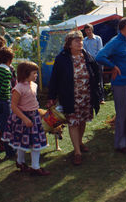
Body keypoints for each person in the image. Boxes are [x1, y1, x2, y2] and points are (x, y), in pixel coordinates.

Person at [48, 30, 104, 165]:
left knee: (83, 120)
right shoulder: (62, 58)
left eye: (81, 40)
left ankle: (79, 142)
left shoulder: (87, 56)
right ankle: (77, 152)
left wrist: (99, 93)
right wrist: (52, 96)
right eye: (77, 41)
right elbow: (54, 78)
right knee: (73, 122)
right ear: (69, 44)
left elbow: (97, 75)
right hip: (70, 96)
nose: (80, 43)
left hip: (86, 96)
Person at [96, 17, 126, 153]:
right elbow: (100, 56)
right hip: (121, 84)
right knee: (122, 114)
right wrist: (112, 66)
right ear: (125, 27)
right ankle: (120, 144)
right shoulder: (115, 42)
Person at [2, 61, 50, 176]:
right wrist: (24, 118)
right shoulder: (18, 88)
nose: (36, 75)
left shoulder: (34, 85)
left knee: (34, 142)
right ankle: (32, 166)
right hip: (23, 119)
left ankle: (25, 163)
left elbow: (33, 101)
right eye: (34, 73)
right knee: (23, 142)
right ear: (25, 73)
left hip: (34, 117)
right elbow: (13, 106)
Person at [0, 47, 16, 159]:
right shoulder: (7, 71)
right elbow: (5, 89)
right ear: (9, 60)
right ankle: (9, 151)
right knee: (6, 127)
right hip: (4, 101)